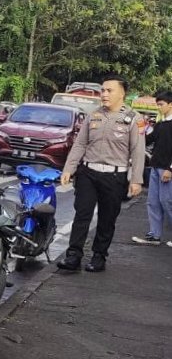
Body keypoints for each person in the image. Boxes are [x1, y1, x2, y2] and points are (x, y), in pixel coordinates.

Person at [58, 75, 146, 272]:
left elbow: (138, 151)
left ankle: (99, 256)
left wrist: (136, 180)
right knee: (82, 215)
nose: (104, 94)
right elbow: (80, 143)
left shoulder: (134, 119)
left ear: (122, 94)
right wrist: (69, 168)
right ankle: (73, 256)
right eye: (103, 90)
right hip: (88, 173)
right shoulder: (93, 115)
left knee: (107, 218)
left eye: (109, 90)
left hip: (114, 177)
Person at [132, 90, 172, 247]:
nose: (159, 107)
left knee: (167, 201)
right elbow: (147, 140)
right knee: (153, 202)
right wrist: (141, 128)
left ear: (170, 104)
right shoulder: (161, 124)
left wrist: (170, 169)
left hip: (166, 169)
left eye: (161, 104)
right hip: (155, 166)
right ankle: (155, 235)